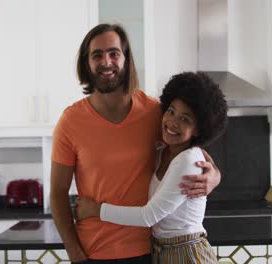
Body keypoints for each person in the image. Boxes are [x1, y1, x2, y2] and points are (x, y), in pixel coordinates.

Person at [50, 24, 222, 263]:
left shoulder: (153, 112)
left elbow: (192, 147)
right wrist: (75, 254)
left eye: (114, 53)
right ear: (86, 64)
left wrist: (214, 175)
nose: (106, 61)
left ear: (126, 59)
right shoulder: (70, 122)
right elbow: (58, 194)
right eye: (96, 55)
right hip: (93, 252)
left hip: (146, 251)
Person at [75, 72, 228, 263]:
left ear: (198, 129)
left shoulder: (188, 160)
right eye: (171, 112)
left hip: (187, 253)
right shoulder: (162, 151)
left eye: (185, 119)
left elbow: (149, 216)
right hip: (163, 251)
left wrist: (95, 209)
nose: (173, 122)